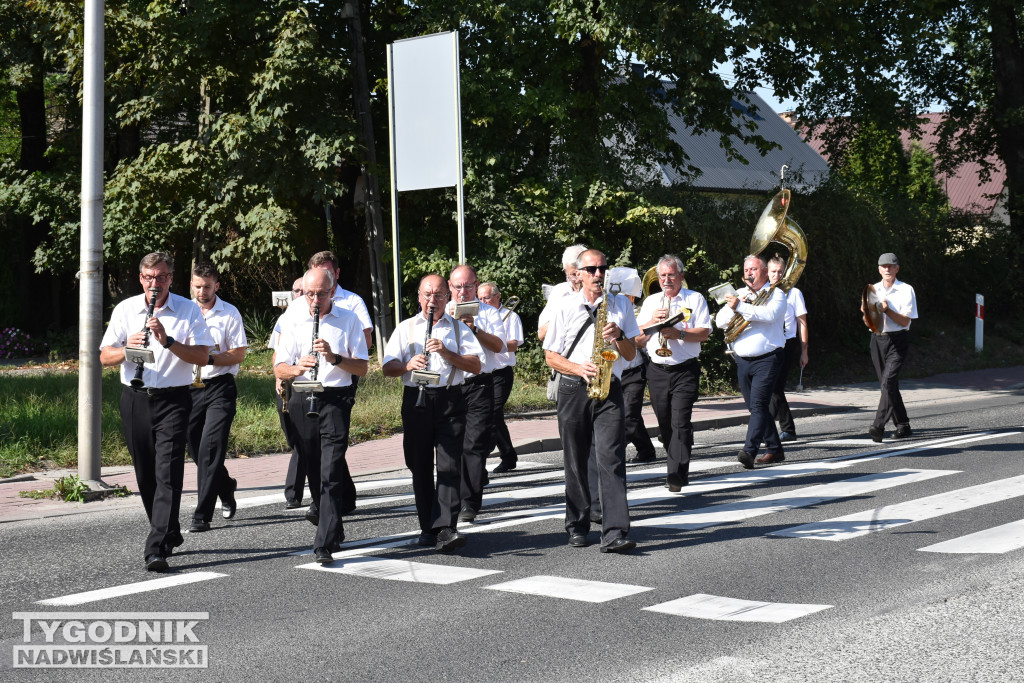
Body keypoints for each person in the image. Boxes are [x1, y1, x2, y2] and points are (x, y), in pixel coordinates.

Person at [100, 252, 213, 572]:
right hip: (135, 398)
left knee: (168, 472)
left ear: (170, 279)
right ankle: (169, 529)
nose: (155, 283)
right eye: (149, 277)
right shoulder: (125, 309)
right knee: (145, 474)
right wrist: (126, 348)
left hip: (174, 400)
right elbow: (105, 357)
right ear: (141, 279)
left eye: (161, 277)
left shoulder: (188, 309)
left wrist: (168, 340)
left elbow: (203, 357)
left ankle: (156, 546)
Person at [543, 249, 640, 553]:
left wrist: (620, 334)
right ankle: (577, 523)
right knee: (575, 459)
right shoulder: (563, 306)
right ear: (579, 274)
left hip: (610, 387)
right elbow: (550, 356)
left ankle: (614, 533)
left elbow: (630, 354)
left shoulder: (621, 304)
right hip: (574, 387)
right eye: (592, 269)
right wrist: (577, 368)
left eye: (603, 269)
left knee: (611, 458)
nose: (599, 274)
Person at [382, 275, 484, 552]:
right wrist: (406, 365)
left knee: (450, 464)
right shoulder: (406, 328)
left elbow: (475, 365)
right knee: (419, 465)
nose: (432, 301)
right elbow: (387, 367)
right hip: (417, 398)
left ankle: (446, 528)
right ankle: (428, 526)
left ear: (447, 298)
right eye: (427, 295)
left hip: (450, 398)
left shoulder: (459, 328)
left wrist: (448, 352)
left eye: (439, 296)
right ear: (419, 297)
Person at [274, 268, 369, 563]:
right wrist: (297, 368)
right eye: (309, 293)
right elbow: (279, 368)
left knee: (331, 468)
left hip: (335, 400)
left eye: (321, 293)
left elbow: (363, 368)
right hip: (303, 396)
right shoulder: (292, 318)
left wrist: (334, 358)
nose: (315, 300)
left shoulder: (348, 319)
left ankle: (323, 543)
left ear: (332, 291)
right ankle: (333, 527)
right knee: (313, 468)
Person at [635, 255, 711, 490]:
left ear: (681, 276)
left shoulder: (695, 299)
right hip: (657, 370)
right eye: (662, 276)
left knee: (680, 421)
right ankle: (676, 459)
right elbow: (636, 340)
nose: (666, 280)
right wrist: (650, 323)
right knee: (665, 423)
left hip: (684, 370)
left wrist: (679, 334)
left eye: (671, 275)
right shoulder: (651, 302)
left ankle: (676, 473)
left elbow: (705, 333)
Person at [186, 263, 248, 532]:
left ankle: (202, 515)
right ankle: (225, 485)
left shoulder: (229, 313)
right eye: (198, 286)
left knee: (210, 449)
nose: (202, 292)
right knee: (195, 450)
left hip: (219, 387)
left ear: (217, 286)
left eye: (207, 287)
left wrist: (208, 357)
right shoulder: (183, 311)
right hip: (187, 388)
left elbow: (238, 353)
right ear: (191, 284)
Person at [714, 254, 787, 469]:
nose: (748, 273)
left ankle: (749, 450)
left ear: (764, 272)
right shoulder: (739, 294)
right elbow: (719, 322)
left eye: (753, 269)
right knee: (754, 406)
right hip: (743, 360)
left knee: (758, 405)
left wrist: (741, 307)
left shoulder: (777, 294)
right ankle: (774, 448)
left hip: (768, 358)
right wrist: (734, 306)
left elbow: (769, 315)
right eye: (746, 270)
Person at [447, 265, 507, 523]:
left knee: (473, 444)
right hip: (449, 386)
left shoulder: (489, 313)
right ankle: (450, 498)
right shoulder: (439, 312)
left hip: (480, 384)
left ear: (476, 285)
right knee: (451, 445)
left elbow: (499, 346)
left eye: (468, 286)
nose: (463, 292)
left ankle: (469, 502)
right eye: (458, 286)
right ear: (450, 287)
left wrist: (475, 329)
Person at [605, 267, 658, 468]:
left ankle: (615, 449)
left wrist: (652, 321)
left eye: (629, 296)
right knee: (630, 415)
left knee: (629, 414)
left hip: (634, 369)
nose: (626, 299)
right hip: (616, 370)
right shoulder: (609, 307)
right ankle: (646, 449)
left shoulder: (637, 311)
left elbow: (638, 339)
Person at [863, 252, 918, 442]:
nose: (887, 269)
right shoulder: (872, 289)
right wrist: (866, 312)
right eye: (884, 266)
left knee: (888, 383)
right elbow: (868, 322)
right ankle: (903, 425)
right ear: (879, 269)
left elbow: (904, 321)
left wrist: (887, 310)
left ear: (897, 269)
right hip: (877, 339)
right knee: (888, 385)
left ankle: (878, 426)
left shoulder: (906, 290)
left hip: (898, 340)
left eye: (891, 266)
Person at [478, 282, 524, 474]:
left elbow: (514, 344)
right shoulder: (479, 316)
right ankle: (508, 455)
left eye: (486, 298)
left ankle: (483, 454)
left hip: (501, 372)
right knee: (490, 415)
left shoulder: (510, 317)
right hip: (482, 371)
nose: (483, 302)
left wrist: (495, 343)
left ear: (497, 297)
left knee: (494, 413)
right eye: (479, 298)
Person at [269, 277, 306, 509]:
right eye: (296, 291)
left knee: (305, 438)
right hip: (287, 380)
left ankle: (293, 492)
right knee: (294, 436)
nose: (300, 294)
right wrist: (278, 376)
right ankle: (344, 488)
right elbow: (276, 352)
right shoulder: (285, 318)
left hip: (309, 384)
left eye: (304, 290)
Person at [765, 256, 808, 442]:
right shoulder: (763, 292)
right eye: (773, 271)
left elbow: (802, 322)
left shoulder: (794, 293)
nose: (776, 275)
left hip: (787, 343)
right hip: (769, 343)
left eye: (780, 272)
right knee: (772, 389)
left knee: (775, 388)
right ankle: (768, 427)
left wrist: (804, 350)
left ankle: (786, 429)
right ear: (767, 272)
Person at [537, 244, 587, 342]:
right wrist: (566, 315)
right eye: (573, 275)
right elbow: (542, 334)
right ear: (565, 272)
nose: (578, 279)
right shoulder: (559, 291)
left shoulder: (600, 291)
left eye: (581, 273)